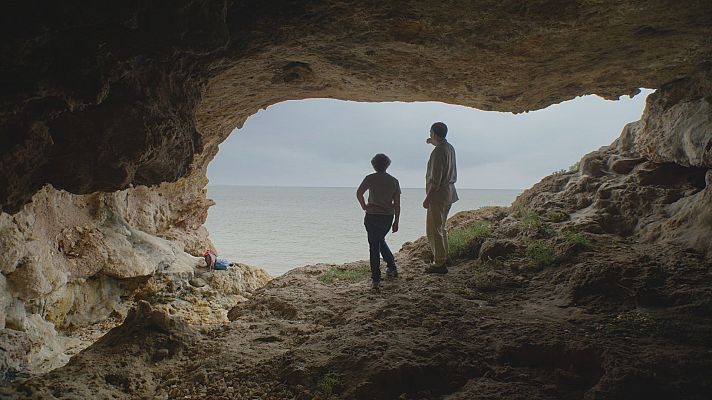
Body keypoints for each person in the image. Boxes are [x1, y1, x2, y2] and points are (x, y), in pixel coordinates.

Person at [356, 154, 401, 289]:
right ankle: (391, 267)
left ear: (374, 165)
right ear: (387, 165)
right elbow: (397, 204)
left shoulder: (370, 178)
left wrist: (364, 206)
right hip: (387, 217)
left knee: (374, 246)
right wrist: (396, 221)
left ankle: (376, 279)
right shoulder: (393, 181)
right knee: (379, 240)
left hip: (372, 216)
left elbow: (359, 193)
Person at [423, 122, 458, 274]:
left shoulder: (438, 152)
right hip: (449, 192)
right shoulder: (449, 147)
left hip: (438, 194)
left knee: (433, 229)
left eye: (431, 133)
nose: (430, 135)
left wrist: (427, 198)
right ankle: (444, 257)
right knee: (442, 226)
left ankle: (439, 264)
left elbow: (436, 179)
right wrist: (433, 142)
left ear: (435, 134)